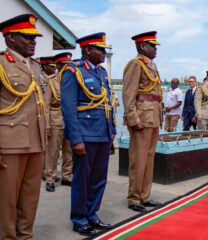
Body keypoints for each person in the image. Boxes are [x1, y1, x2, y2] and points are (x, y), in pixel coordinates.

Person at [61, 32, 116, 236]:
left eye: (104, 50)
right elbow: (68, 108)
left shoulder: (101, 72)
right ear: (87, 50)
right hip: (84, 135)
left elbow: (107, 104)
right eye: (100, 49)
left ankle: (92, 214)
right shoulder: (73, 71)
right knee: (81, 179)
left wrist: (112, 131)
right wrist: (76, 139)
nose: (103, 53)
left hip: (102, 134)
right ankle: (79, 218)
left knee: (99, 178)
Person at [0, 14, 46, 239]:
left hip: (36, 141)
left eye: (34, 37)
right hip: (9, 143)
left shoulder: (35, 67)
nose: (33, 41)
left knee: (30, 197)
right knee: (6, 200)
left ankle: (25, 235)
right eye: (27, 37)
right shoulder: (1, 64)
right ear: (10, 39)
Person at [122, 31, 162, 213]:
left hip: (153, 117)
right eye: (152, 46)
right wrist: (133, 118)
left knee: (149, 158)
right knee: (138, 159)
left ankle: (145, 196)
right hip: (142, 118)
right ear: (142, 46)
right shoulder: (135, 65)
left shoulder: (152, 66)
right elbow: (128, 94)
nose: (155, 49)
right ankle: (134, 198)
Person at [43, 52, 73, 193]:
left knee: (69, 151)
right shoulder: (51, 81)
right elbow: (46, 105)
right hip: (56, 119)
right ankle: (50, 178)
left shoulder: (74, 79)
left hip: (70, 119)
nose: (68, 67)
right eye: (65, 65)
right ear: (59, 66)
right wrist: (47, 125)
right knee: (53, 152)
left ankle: (67, 176)